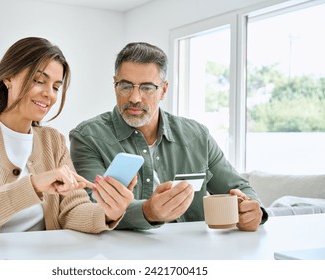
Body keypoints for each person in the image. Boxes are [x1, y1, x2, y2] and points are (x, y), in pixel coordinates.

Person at [0, 37, 134, 240]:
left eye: (56, 87)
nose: (49, 94)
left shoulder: (53, 141)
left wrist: (108, 213)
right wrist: (33, 185)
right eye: (39, 81)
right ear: (8, 78)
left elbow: (72, 210)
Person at [69, 42, 268, 231]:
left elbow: (238, 188)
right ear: (115, 85)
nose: (135, 98)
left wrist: (253, 210)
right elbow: (90, 209)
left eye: (147, 87)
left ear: (163, 90)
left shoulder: (197, 136)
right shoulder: (87, 137)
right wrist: (148, 211)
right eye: (126, 86)